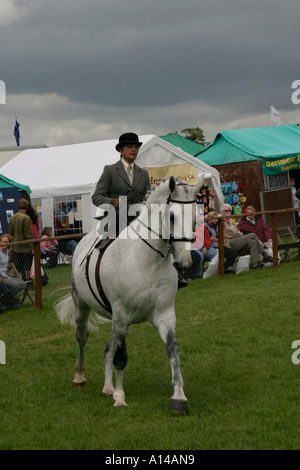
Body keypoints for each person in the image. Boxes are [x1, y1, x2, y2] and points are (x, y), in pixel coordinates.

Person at [221, 203, 272, 268]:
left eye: (229, 211)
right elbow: (232, 233)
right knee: (253, 235)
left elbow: (238, 232)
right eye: (226, 211)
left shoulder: (231, 222)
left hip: (237, 240)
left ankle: (256, 263)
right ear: (222, 212)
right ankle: (265, 255)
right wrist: (238, 234)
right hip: (229, 243)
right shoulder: (222, 222)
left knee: (252, 242)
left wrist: (238, 234)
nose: (228, 212)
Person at [9, 198, 34, 281]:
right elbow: (28, 235)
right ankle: (27, 282)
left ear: (18, 206)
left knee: (16, 265)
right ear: (26, 206)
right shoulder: (26, 218)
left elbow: (10, 233)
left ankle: (8, 278)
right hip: (26, 248)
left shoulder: (13, 217)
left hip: (16, 247)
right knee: (27, 266)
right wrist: (33, 247)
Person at [0, 234, 27, 308]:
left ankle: (9, 300)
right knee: (15, 285)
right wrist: (5, 276)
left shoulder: (7, 251)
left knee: (23, 284)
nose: (4, 244)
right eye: (3, 241)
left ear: (9, 243)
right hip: (1, 276)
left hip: (6, 274)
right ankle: (10, 301)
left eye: (6, 242)